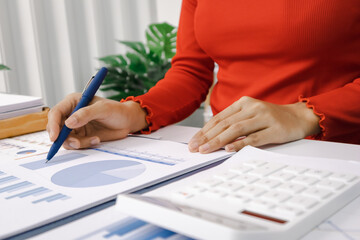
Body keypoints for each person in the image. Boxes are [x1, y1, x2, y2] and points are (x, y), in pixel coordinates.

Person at [47, 0, 360, 153]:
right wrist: (132, 111)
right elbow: (191, 71)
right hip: (228, 155)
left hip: (335, 151)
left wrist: (302, 114)